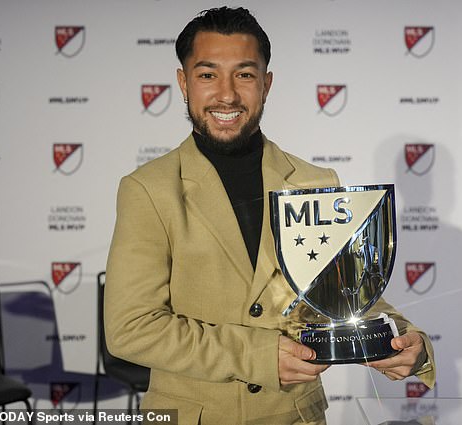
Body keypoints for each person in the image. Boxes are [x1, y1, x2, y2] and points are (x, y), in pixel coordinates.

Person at [104, 7, 435, 425]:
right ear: (183, 82)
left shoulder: (317, 180)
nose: (226, 94)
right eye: (207, 75)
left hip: (296, 416)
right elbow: (131, 328)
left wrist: (406, 340)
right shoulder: (148, 189)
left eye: (244, 74)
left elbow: (346, 296)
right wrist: (256, 355)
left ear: (267, 83)